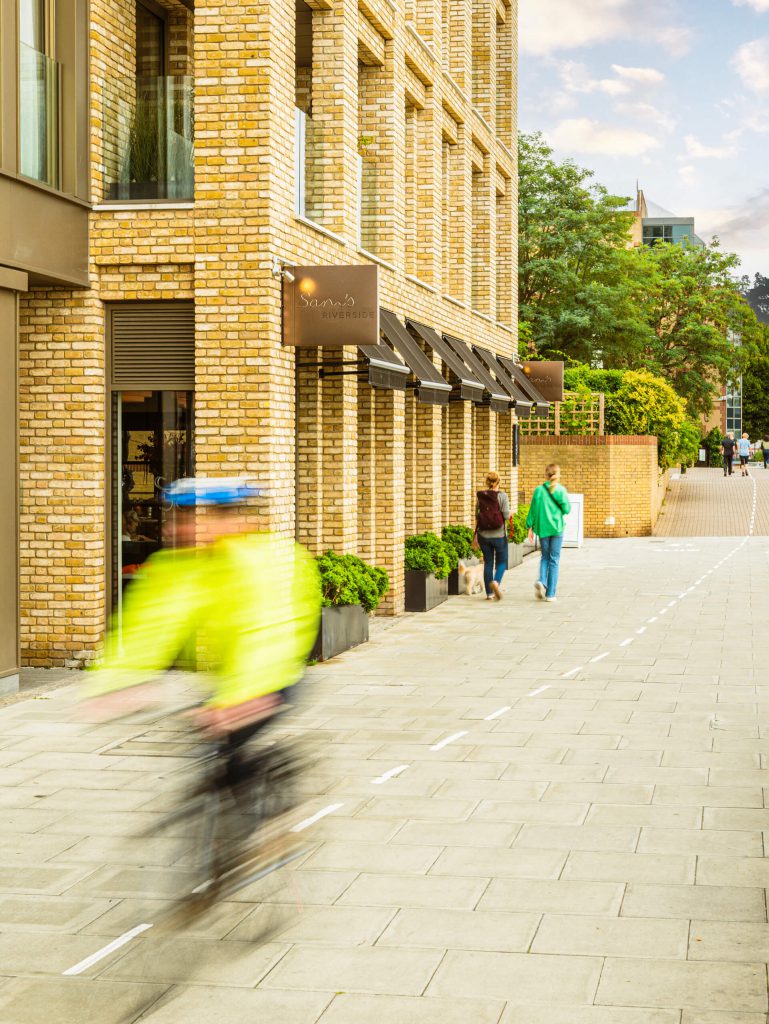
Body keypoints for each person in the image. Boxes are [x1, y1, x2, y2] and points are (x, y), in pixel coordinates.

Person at [87, 476, 321, 758]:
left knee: (231, 755)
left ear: (225, 519)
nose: (172, 528)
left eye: (190, 518)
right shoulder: (178, 567)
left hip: (274, 677)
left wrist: (243, 697)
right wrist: (120, 682)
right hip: (227, 682)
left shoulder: (267, 562)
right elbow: (149, 624)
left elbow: (267, 634)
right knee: (205, 749)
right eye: (176, 516)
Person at [526, 463, 571, 603]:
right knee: (554, 560)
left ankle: (541, 580)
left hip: (543, 529)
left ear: (546, 475)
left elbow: (532, 510)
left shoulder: (538, 490)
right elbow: (567, 510)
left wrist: (529, 527)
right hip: (557, 528)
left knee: (545, 557)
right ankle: (550, 594)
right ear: (558, 474)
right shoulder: (561, 490)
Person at [475, 471, 510, 601]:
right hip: (499, 534)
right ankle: (496, 581)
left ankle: (489, 594)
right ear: (498, 482)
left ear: (487, 482)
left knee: (488, 562)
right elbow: (506, 515)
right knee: (501, 561)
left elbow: (477, 515)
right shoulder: (503, 496)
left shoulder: (481, 496)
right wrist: (510, 513)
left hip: (483, 535)